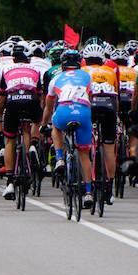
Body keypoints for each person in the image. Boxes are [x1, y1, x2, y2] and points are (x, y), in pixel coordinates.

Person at [40, 49, 94, 204]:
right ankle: (89, 192)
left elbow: (49, 107)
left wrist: (44, 124)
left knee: (55, 128)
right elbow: (90, 99)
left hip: (63, 111)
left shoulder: (56, 78)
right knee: (84, 154)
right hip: (83, 113)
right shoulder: (87, 76)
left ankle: (59, 159)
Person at [0, 43, 43, 200]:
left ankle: (9, 181)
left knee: (10, 140)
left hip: (13, 100)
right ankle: (30, 151)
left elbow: (1, 96)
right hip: (31, 99)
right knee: (28, 127)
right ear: (28, 58)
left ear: (13, 58)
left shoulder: (6, 69)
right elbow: (40, 94)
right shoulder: (35, 70)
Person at [82, 42, 119, 207]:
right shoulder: (110, 71)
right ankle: (110, 188)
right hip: (109, 106)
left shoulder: (82, 71)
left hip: (90, 105)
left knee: (84, 145)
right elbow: (116, 96)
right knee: (109, 147)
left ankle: (87, 187)